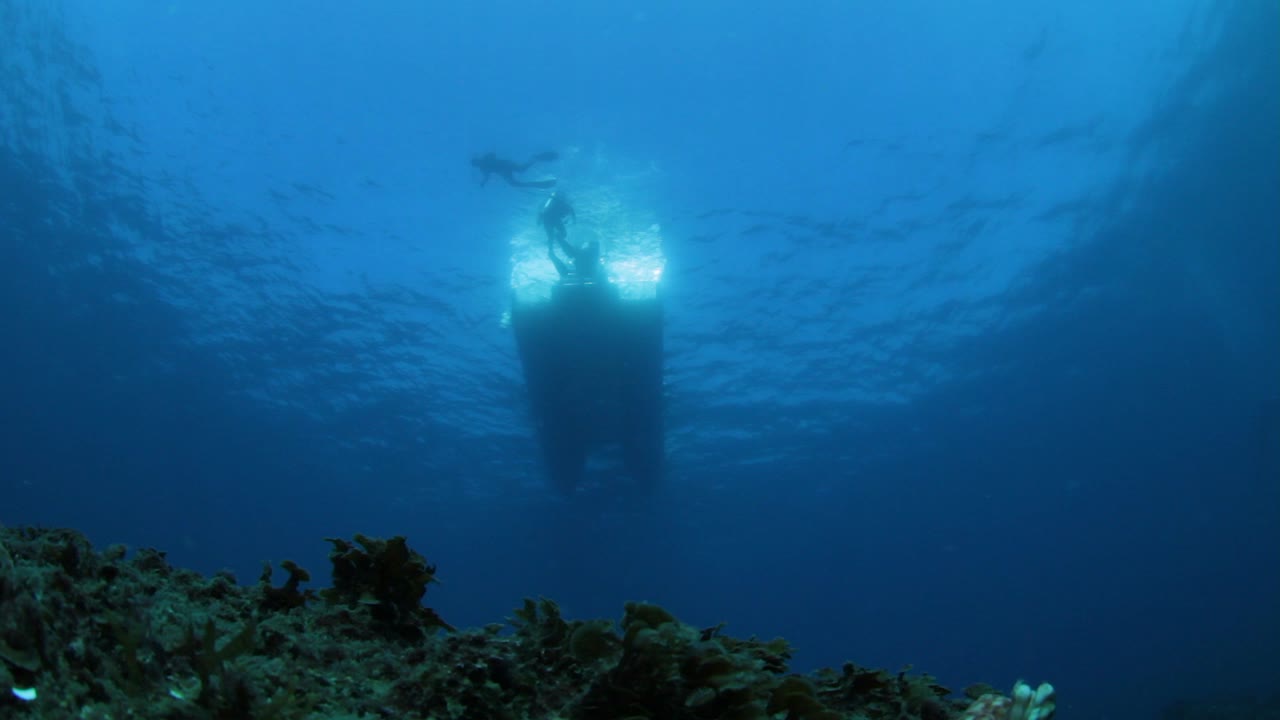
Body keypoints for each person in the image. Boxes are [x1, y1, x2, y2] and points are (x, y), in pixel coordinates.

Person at [540, 191, 601, 281]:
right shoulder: (583, 258)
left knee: (561, 238)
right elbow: (566, 270)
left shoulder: (585, 257)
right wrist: (553, 256)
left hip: (582, 256)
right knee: (561, 238)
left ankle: (557, 202)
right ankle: (557, 204)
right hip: (581, 257)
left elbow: (566, 270)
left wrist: (553, 255)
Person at [471, 150, 559, 188]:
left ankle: (535, 158)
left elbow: (493, 154)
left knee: (521, 171)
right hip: (504, 168)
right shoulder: (482, 168)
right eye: (476, 164)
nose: (478, 164)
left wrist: (483, 182)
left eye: (476, 163)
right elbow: (487, 176)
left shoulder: (484, 163)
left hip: (505, 165)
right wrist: (483, 182)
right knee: (516, 180)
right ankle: (534, 183)